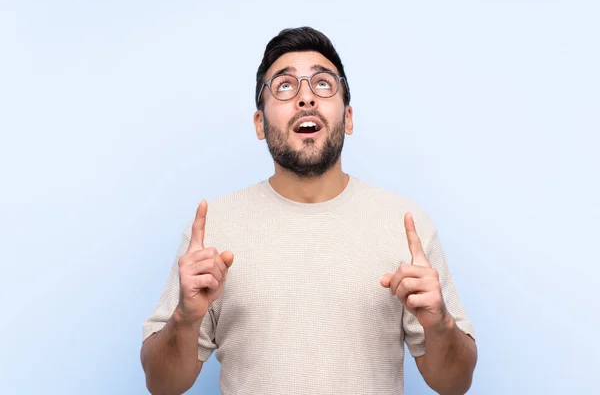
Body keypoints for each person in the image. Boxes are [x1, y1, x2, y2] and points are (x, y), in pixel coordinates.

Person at [140, 26, 477, 395]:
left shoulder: (405, 223)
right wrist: (185, 319)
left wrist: (440, 324)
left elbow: (455, 384)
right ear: (259, 124)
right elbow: (162, 385)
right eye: (284, 86)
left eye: (322, 84)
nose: (305, 98)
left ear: (347, 117)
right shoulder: (212, 229)